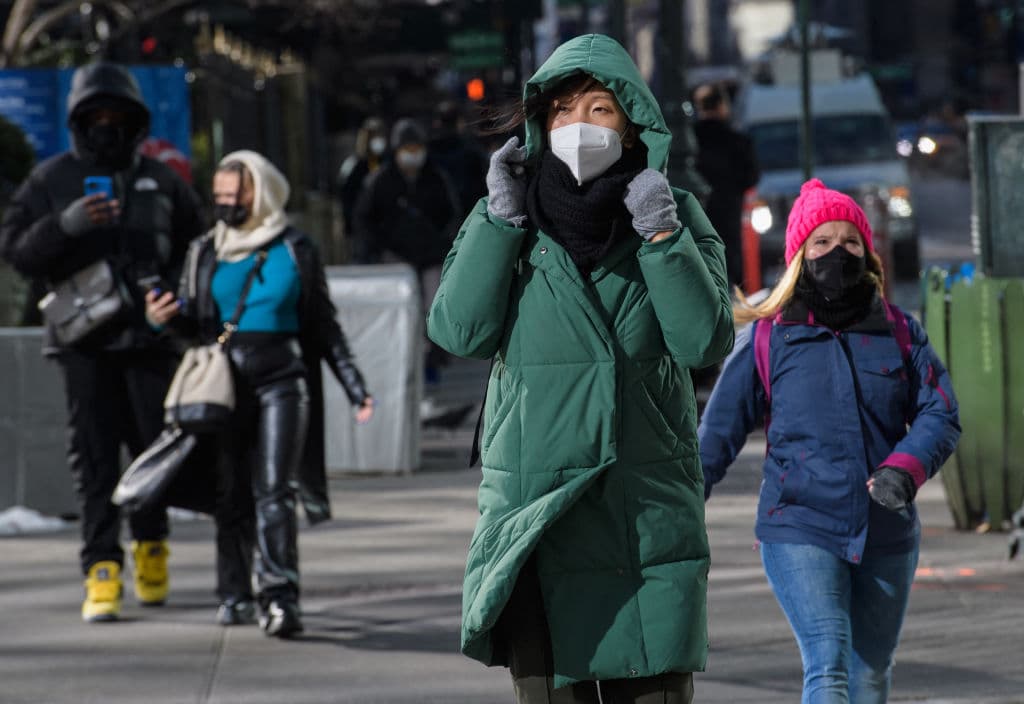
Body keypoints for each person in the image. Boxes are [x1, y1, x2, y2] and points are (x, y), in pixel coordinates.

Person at [427, 34, 734, 702]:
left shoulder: (675, 217)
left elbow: (703, 341)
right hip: (537, 510)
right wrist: (499, 222)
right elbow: (458, 329)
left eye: (599, 110)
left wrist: (661, 237)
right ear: (539, 126)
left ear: (631, 126)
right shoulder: (507, 219)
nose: (579, 126)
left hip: (641, 511)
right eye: (563, 111)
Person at [698, 179, 961, 703]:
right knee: (828, 664)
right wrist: (682, 504)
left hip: (886, 530)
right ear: (799, 255)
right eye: (821, 242)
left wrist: (903, 469)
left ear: (868, 255)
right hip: (799, 525)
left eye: (850, 242)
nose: (836, 251)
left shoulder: (900, 332)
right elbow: (718, 433)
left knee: (870, 673)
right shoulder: (770, 336)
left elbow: (940, 411)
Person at [0, 61, 203, 623]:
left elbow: (197, 252)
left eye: (119, 117)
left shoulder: (164, 182)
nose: (108, 126)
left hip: (151, 343)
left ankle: (152, 547)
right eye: (97, 116)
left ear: (137, 122)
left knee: (154, 455)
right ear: (79, 121)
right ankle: (101, 570)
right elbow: (15, 250)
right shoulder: (49, 180)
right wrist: (64, 225)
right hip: (83, 346)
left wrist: (181, 307)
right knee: (92, 461)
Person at [145, 150, 374, 637]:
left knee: (275, 490)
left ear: (262, 192)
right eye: (219, 196)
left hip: (283, 380)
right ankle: (233, 593)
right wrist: (165, 319)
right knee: (230, 491)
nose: (226, 204)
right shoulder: (205, 250)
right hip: (224, 386)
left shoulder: (296, 248)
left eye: (236, 194)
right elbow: (194, 326)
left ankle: (280, 596)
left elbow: (324, 326)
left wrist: (355, 386)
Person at [353, 117, 460, 383]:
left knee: (432, 311)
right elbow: (363, 217)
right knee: (402, 312)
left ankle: (432, 363)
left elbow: (452, 214)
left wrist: (443, 242)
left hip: (431, 257)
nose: (413, 155)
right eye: (407, 149)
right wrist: (377, 248)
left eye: (416, 148)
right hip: (395, 258)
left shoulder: (436, 178)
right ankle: (402, 363)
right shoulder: (380, 181)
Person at [692, 82, 760, 289]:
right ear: (722, 105)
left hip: (696, 213)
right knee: (729, 261)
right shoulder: (737, 140)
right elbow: (751, 177)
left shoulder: (690, 140)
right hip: (729, 212)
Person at [429, 100, 489, 214]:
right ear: (459, 123)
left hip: (441, 216)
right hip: (471, 214)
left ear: (436, 123)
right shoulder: (471, 149)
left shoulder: (429, 152)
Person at [336, 116, 388, 244]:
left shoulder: (389, 164)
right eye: (373, 136)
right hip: (360, 230)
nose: (377, 140)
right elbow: (345, 197)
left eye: (380, 135)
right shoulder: (354, 166)